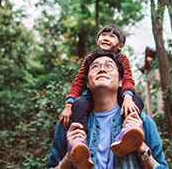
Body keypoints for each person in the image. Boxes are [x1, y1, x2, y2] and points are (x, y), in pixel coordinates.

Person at [47, 49, 169, 169]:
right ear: (87, 84)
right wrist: (70, 155)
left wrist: (140, 146)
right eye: (95, 67)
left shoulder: (142, 122)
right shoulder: (70, 124)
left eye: (109, 65)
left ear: (121, 81)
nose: (102, 69)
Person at [58, 25, 145, 167]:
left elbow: (128, 79)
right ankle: (78, 142)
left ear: (120, 46)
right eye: (103, 35)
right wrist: (69, 105)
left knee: (137, 100)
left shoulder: (122, 59)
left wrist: (127, 96)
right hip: (91, 98)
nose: (106, 38)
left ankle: (128, 131)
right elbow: (78, 82)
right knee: (79, 102)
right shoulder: (89, 59)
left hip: (120, 96)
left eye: (112, 36)